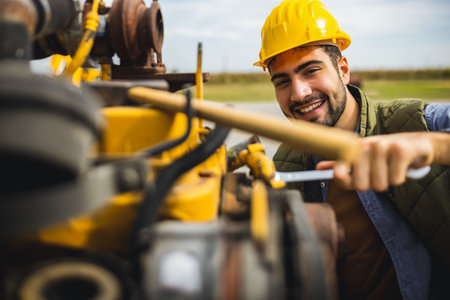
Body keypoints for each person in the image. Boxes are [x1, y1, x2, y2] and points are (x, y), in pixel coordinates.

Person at [254, 0, 450, 299]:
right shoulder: (285, 161)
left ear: (343, 69)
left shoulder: (414, 122)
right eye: (282, 81)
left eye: (310, 70)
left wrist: (430, 145)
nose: (298, 93)